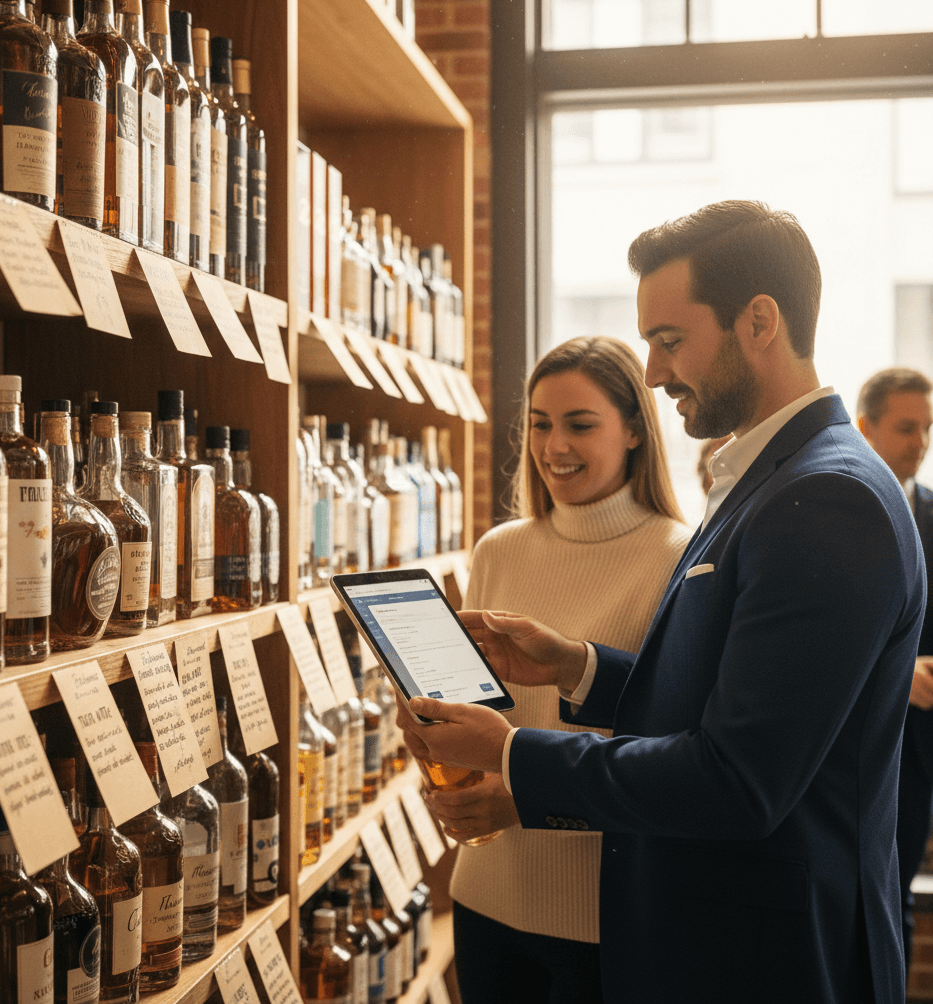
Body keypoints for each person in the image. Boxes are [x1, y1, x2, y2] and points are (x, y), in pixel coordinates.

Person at [400, 201, 926, 1003]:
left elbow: (736, 778)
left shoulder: (825, 498)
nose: (650, 371)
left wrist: (510, 753)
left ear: (759, 321)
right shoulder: (777, 477)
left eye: (670, 340)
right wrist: (574, 665)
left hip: (769, 959)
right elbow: (720, 695)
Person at [435, 336, 691, 1004]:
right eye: (541, 424)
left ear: (635, 429)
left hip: (601, 917)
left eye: (580, 425)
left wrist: (524, 798)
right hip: (483, 893)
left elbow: (667, 752)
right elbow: (478, 711)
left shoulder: (678, 558)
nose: (554, 448)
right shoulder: (498, 549)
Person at [858, 367, 933, 972]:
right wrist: (894, 674)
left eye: (928, 429)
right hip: (847, 744)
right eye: (907, 428)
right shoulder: (838, 509)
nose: (922, 442)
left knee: (896, 897)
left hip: (920, 748)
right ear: (866, 427)